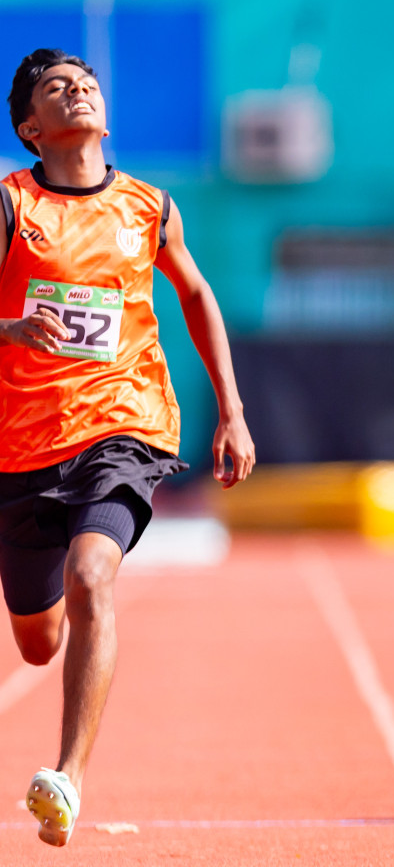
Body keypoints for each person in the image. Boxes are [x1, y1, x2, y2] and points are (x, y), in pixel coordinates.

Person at [0, 48, 255, 846]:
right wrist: (10, 328)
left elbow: (198, 294)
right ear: (31, 129)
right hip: (22, 446)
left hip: (124, 425)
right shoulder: (11, 207)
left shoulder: (150, 207)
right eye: (54, 89)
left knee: (91, 575)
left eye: (85, 82)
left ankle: (67, 778)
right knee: (37, 642)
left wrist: (233, 412)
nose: (77, 91)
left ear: (103, 110)